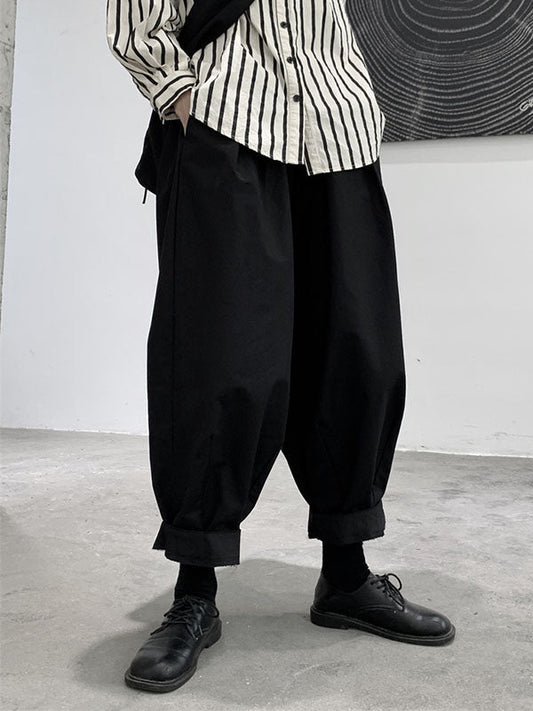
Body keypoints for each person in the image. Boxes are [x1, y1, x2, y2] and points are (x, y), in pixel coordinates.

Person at [106, 0, 456, 694]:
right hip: (227, 127)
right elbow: (135, 23)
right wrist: (183, 99)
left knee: (357, 352)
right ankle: (195, 589)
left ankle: (346, 575)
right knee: (219, 359)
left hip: (337, 132)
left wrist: (355, 99)